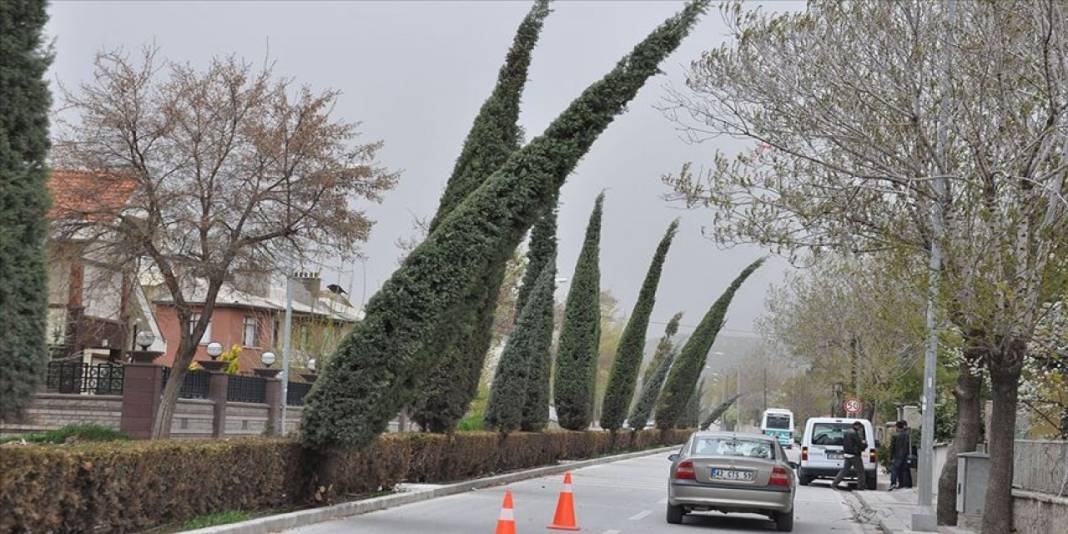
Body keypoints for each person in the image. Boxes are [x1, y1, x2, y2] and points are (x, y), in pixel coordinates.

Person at [832, 421, 867, 491]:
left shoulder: (846, 432)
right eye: (860, 427)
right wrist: (865, 445)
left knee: (844, 471)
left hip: (847, 454)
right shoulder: (854, 433)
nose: (860, 429)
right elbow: (859, 444)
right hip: (854, 455)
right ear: (857, 426)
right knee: (861, 472)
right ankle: (861, 487)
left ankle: (834, 484)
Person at [889, 420, 912, 490]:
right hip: (905, 456)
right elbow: (908, 446)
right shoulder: (907, 435)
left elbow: (892, 447)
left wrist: (891, 457)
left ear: (897, 427)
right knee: (903, 470)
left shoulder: (895, 436)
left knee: (894, 470)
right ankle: (903, 484)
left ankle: (893, 483)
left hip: (897, 456)